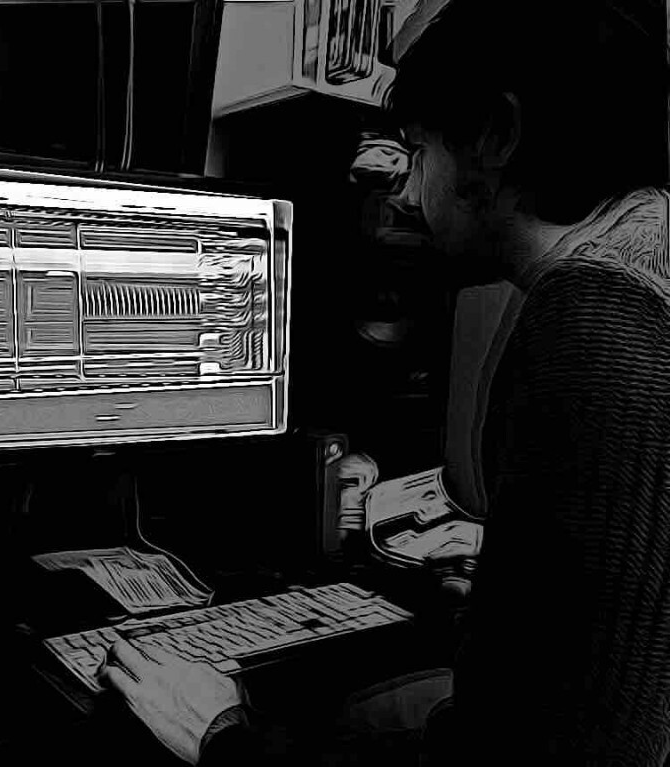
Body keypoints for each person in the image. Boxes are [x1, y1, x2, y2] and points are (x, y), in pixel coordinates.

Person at [97, 0, 670, 763]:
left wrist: (225, 737)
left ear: (497, 134)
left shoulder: (596, 320)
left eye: (420, 151)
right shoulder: (645, 261)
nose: (404, 192)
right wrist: (511, 606)